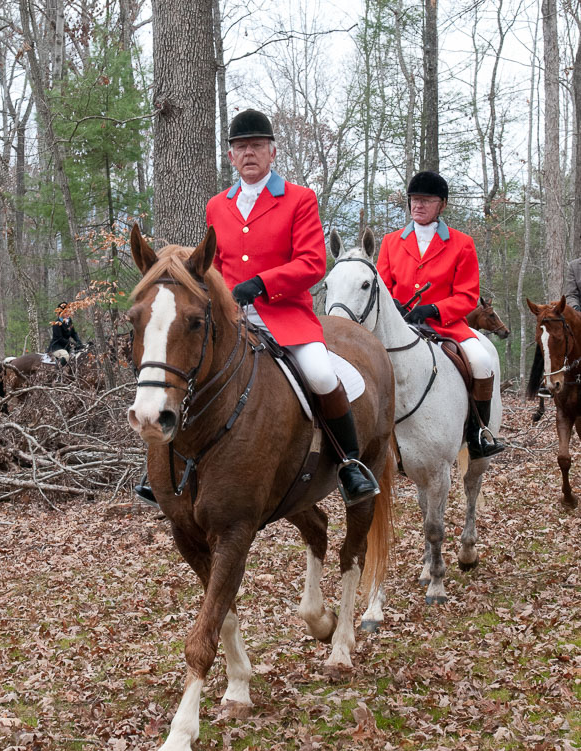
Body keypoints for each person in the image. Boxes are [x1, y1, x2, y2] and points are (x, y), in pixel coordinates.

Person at [134, 109, 378, 508]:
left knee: (319, 374)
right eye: (241, 147)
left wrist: (262, 284)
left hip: (287, 316)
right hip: (230, 317)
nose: (249, 153)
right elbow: (215, 263)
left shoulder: (299, 198)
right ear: (231, 156)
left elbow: (313, 262)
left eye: (257, 146)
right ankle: (160, 467)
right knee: (189, 370)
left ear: (272, 152)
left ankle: (351, 464)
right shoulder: (218, 205)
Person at [376, 170, 503, 459]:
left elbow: (468, 296)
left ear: (442, 205)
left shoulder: (462, 243)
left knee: (482, 361)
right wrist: (395, 306)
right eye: (414, 200)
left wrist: (434, 308)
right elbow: (383, 287)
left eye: (426, 200)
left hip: (446, 325)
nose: (418, 205)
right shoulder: (391, 242)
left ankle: (478, 432)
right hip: (400, 327)